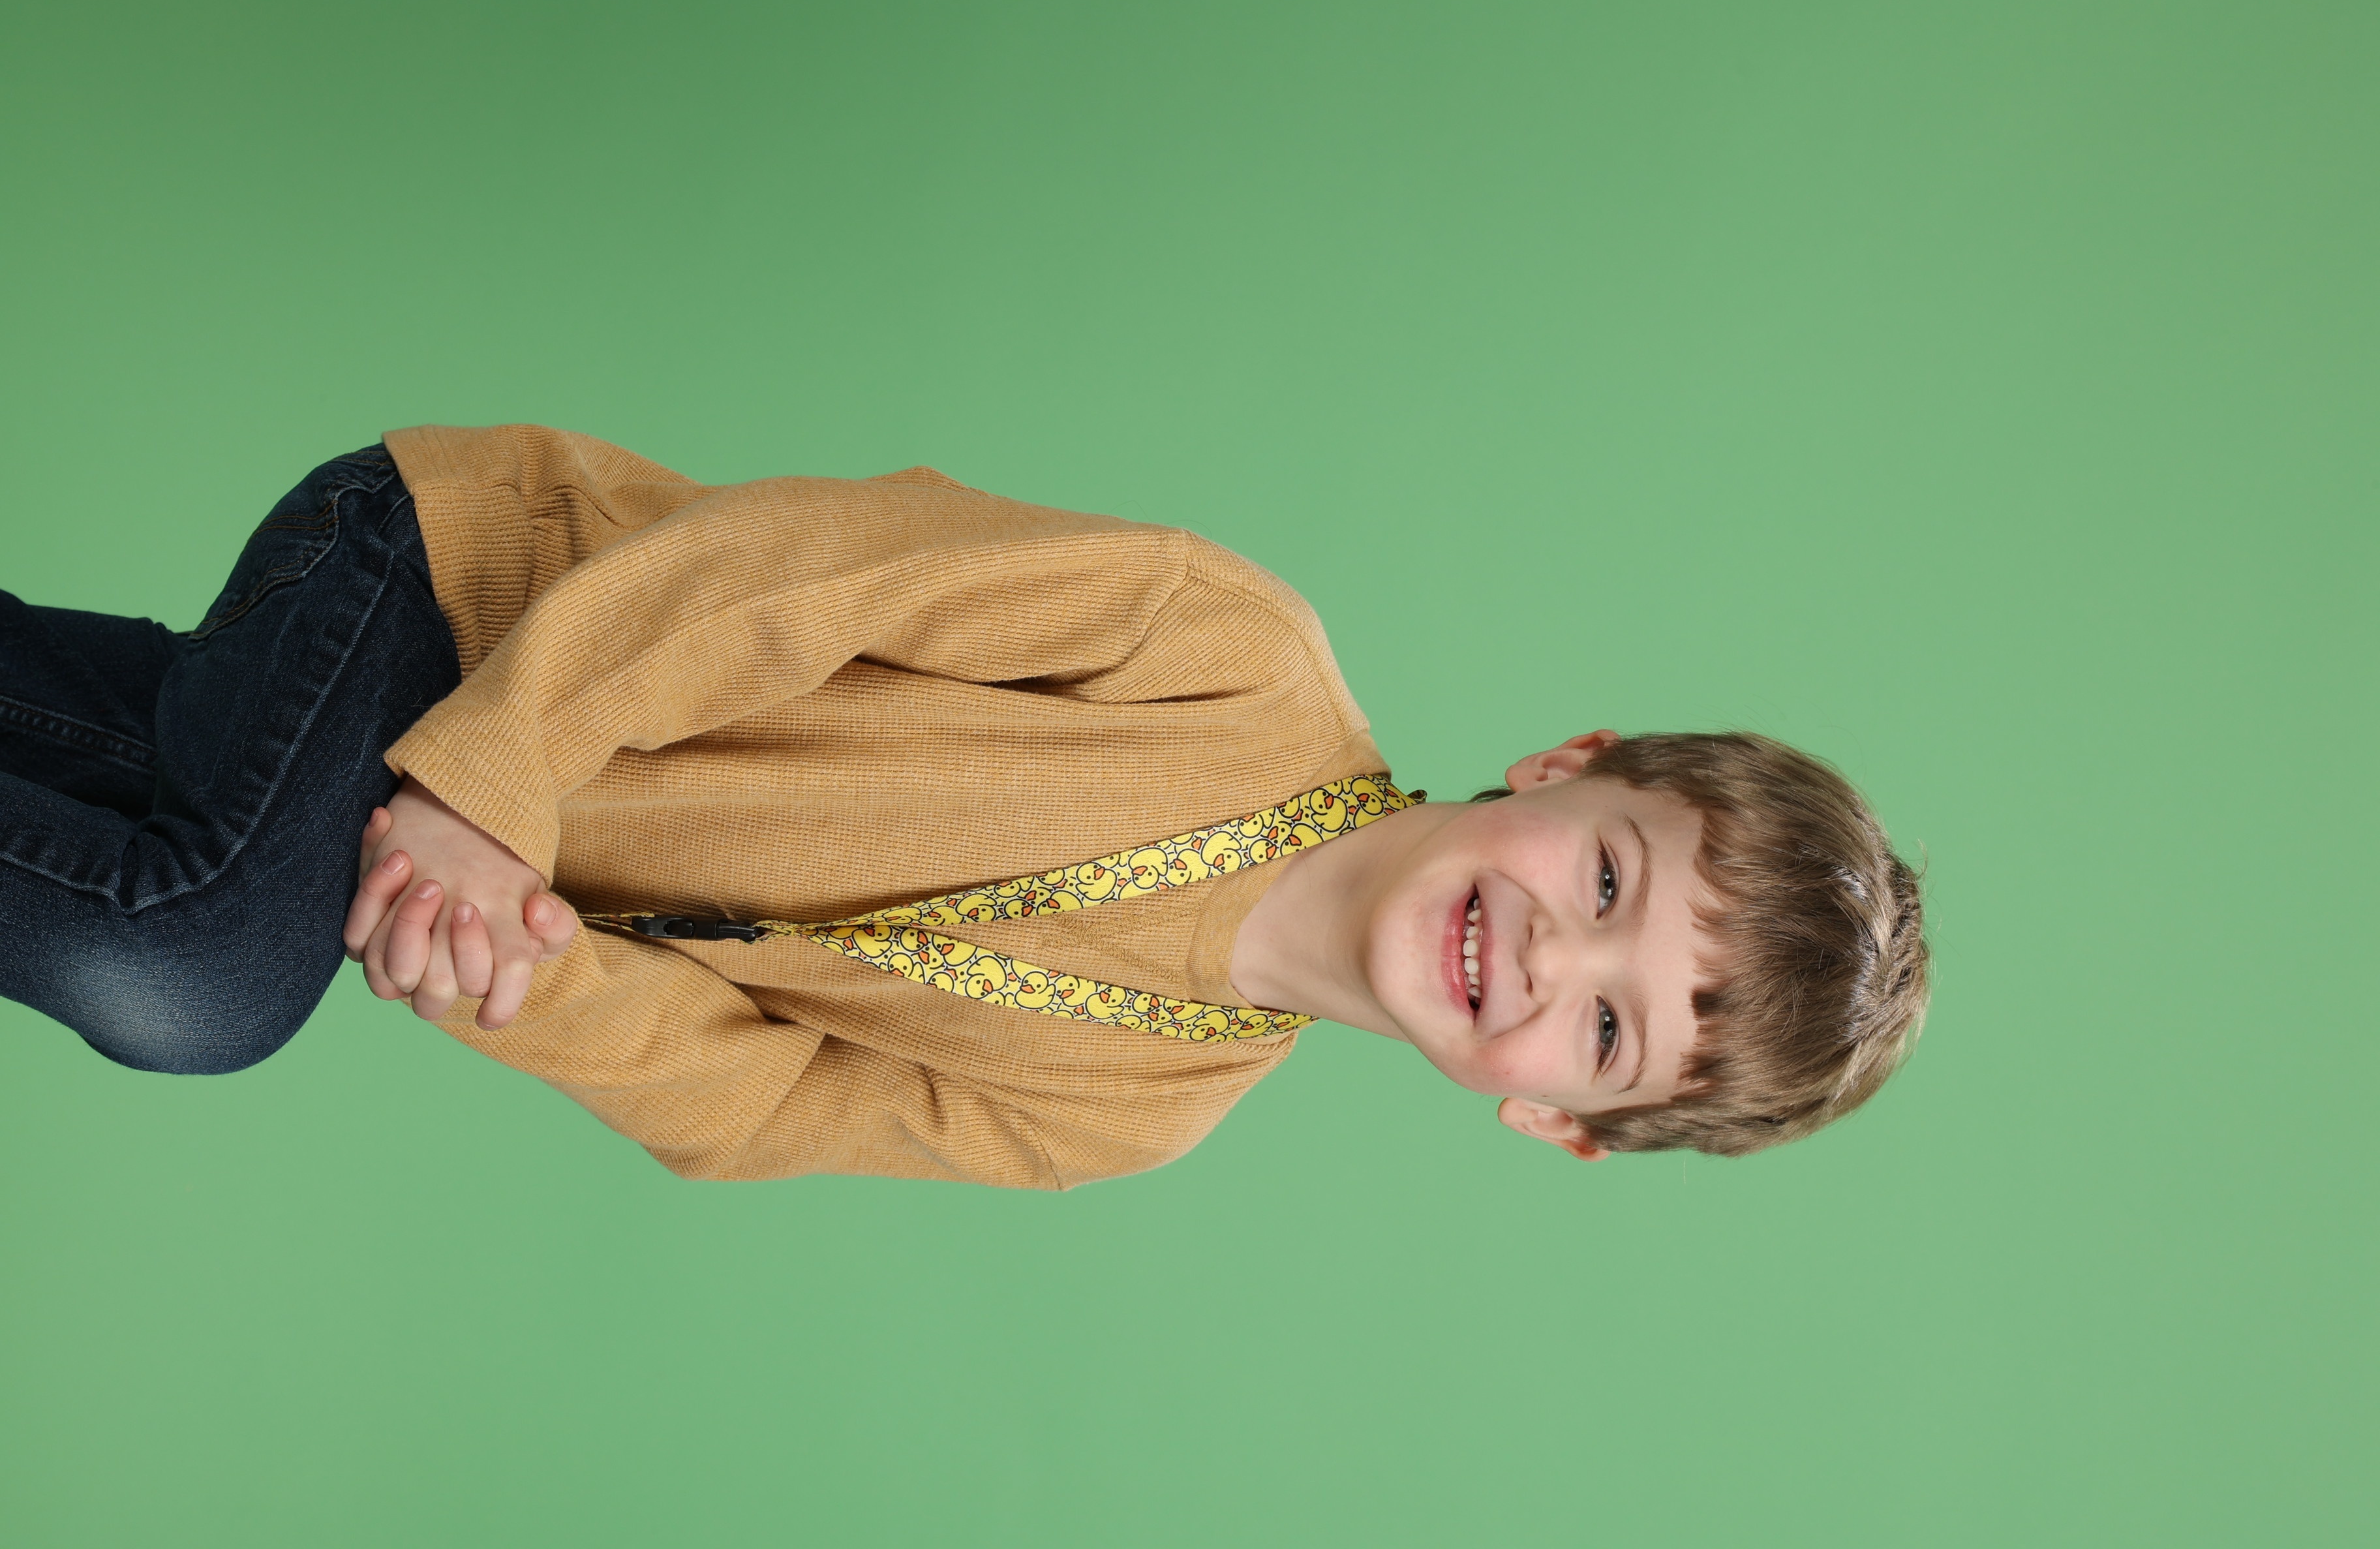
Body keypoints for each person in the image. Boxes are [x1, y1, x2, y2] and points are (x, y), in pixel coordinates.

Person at [3, 429, 1929, 1185]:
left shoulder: (1137, 1114)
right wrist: (497, 782)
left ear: (1558, 1120)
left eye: (1608, 1030)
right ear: (1571, 768)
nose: (1554, 957)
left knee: (146, 795)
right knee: (206, 971)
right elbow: (799, 575)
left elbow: (769, 1101)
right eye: (1609, 880)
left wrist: (534, 973)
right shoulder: (1229, 653)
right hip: (456, 589)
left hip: (411, 821)